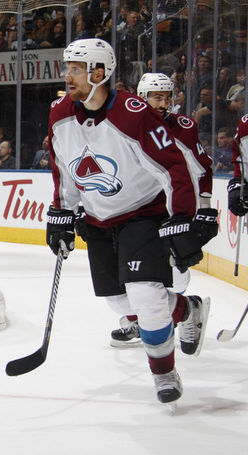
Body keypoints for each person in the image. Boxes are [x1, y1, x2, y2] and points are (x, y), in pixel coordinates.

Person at [47, 40, 210, 407]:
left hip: (142, 214)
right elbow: (63, 170)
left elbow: (174, 167)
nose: (67, 75)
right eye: (67, 68)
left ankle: (164, 373)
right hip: (97, 218)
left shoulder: (134, 113)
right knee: (119, 301)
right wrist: (61, 212)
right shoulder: (59, 113)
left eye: (75, 68)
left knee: (147, 297)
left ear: (99, 73)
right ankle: (188, 309)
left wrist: (183, 218)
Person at [108, 72, 217, 347]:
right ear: (142, 98)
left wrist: (203, 208)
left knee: (174, 268)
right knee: (124, 280)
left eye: (167, 97)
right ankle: (139, 320)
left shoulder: (183, 126)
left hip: (171, 211)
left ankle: (183, 312)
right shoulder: (127, 123)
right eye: (157, 97)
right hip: (136, 211)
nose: (163, 103)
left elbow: (202, 167)